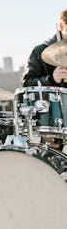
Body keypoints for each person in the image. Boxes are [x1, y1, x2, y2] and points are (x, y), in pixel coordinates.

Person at [21, 9, 67, 150]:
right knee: (52, 163)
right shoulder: (40, 51)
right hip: (52, 118)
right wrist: (52, 78)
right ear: (61, 26)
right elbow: (27, 83)